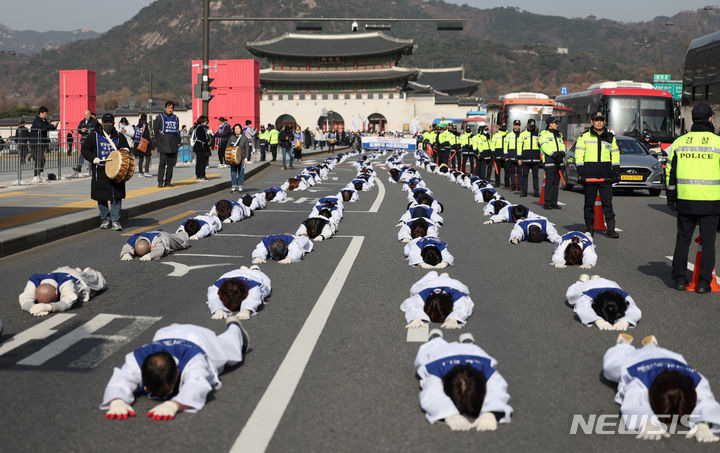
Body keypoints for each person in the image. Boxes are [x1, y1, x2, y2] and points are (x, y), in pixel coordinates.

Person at [100, 321, 249, 421]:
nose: (160, 396)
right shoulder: (137, 360)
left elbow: (197, 384)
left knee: (230, 353)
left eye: (165, 390)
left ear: (177, 373)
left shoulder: (194, 360)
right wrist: (117, 400)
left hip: (199, 339)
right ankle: (177, 327)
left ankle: (235, 328)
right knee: (167, 334)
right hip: (167, 333)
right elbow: (122, 378)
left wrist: (175, 404)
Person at [602, 334, 720, 442]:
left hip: (669, 357)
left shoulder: (697, 380)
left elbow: (706, 400)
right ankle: (623, 345)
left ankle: (651, 345)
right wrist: (646, 421)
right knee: (611, 366)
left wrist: (703, 423)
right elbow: (634, 400)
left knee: (656, 351)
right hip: (635, 359)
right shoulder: (641, 380)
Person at [666, 103, 720, 293]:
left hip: (686, 200)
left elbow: (670, 172)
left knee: (683, 240)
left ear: (693, 119)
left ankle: (680, 279)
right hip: (711, 201)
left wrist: (671, 195)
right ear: (710, 119)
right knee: (708, 243)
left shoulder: (680, 142)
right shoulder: (717, 143)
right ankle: (704, 283)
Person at [414, 331, 513, 431]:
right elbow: (431, 393)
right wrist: (449, 415)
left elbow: (498, 388)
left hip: (472, 353)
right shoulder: (437, 370)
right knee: (433, 347)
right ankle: (436, 338)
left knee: (472, 349)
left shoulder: (485, 368)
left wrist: (491, 413)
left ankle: (467, 343)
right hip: (443, 353)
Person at [575, 112, 621, 238]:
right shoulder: (584, 137)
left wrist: (616, 170)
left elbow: (615, 154)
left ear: (604, 122)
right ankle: (590, 229)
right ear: (592, 122)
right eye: (596, 120)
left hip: (606, 175)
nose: (599, 122)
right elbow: (579, 155)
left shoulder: (611, 137)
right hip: (589, 175)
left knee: (607, 203)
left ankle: (610, 229)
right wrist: (581, 170)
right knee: (589, 203)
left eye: (601, 120)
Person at [81, 113, 130, 231]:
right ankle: (105, 219)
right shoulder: (94, 136)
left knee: (116, 196)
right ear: (102, 123)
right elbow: (85, 149)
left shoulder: (119, 136)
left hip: (116, 170)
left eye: (110, 123)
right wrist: (93, 159)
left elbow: (127, 148)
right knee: (101, 196)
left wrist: (125, 151)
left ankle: (115, 220)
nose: (108, 125)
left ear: (113, 124)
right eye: (106, 123)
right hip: (100, 170)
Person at [18, 266, 106, 316]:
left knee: (99, 282)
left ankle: (86, 271)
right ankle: (77, 269)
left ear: (57, 293)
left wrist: (49, 307)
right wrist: (31, 308)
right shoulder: (34, 280)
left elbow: (67, 302)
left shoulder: (67, 284)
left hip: (76, 278)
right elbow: (25, 297)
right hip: (58, 271)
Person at [565, 274, 641, 330]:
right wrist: (598, 320)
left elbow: (634, 310)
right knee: (572, 295)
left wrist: (625, 321)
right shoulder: (588, 295)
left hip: (608, 283)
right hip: (588, 285)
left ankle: (596, 279)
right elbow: (582, 308)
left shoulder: (624, 297)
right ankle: (582, 281)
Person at [401, 271, 473, 329]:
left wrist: (453, 319)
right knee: (430, 276)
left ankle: (443, 276)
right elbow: (413, 303)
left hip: (450, 283)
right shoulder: (425, 293)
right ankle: (442, 276)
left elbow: (462, 306)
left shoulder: (455, 293)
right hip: (430, 284)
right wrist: (416, 318)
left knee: (434, 275)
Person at [207, 266, 272, 320]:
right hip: (231, 274)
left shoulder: (253, 286)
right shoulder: (218, 285)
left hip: (254, 276)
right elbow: (213, 296)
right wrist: (218, 310)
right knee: (243, 271)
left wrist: (246, 310)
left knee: (259, 275)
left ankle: (255, 269)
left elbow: (254, 297)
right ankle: (245, 269)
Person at [539, 116, 566, 210]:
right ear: (550, 124)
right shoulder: (544, 134)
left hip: (558, 161)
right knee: (549, 183)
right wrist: (554, 154)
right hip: (550, 161)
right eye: (555, 123)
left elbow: (562, 145)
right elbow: (544, 146)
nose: (557, 124)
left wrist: (562, 153)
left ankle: (554, 202)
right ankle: (547, 202)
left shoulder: (559, 134)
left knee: (556, 184)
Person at [153, 101, 181, 188]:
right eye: (168, 108)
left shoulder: (176, 118)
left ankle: (168, 181)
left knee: (170, 164)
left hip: (173, 143)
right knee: (162, 163)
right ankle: (160, 181)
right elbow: (156, 130)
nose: (170, 109)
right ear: (165, 108)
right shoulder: (160, 117)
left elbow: (177, 131)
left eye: (171, 108)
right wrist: (158, 142)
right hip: (163, 143)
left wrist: (178, 141)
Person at [29, 106, 57, 182]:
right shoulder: (37, 120)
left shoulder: (44, 120)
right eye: (45, 113)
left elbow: (47, 127)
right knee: (39, 159)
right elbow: (43, 128)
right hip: (36, 142)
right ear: (40, 113)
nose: (46, 115)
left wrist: (54, 126)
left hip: (42, 142)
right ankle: (35, 176)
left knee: (42, 159)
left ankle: (40, 174)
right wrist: (51, 125)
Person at [121, 230, 189, 261]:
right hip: (152, 232)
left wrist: (150, 255)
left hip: (163, 237)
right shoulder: (133, 239)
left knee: (182, 242)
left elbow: (159, 250)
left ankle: (183, 231)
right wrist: (126, 254)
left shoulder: (156, 241)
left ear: (150, 247)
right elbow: (127, 246)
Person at [518, 118, 541, 197]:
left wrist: (539, 142)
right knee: (525, 175)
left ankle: (536, 192)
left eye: (533, 125)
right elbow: (519, 146)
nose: (531, 127)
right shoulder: (523, 134)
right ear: (527, 125)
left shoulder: (538, 133)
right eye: (530, 125)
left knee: (535, 176)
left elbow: (543, 146)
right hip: (525, 158)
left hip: (536, 158)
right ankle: (524, 191)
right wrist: (519, 158)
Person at [226, 123, 248, 192]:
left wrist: (246, 157)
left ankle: (240, 186)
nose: (237, 130)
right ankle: (234, 186)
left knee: (241, 171)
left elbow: (247, 148)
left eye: (238, 129)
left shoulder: (244, 138)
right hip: (233, 158)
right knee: (233, 172)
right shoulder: (231, 138)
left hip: (242, 158)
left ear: (241, 129)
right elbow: (227, 147)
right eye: (235, 129)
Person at [503, 120, 522, 190]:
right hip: (511, 154)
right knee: (512, 171)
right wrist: (506, 156)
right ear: (513, 125)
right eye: (516, 125)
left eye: (518, 125)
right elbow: (505, 146)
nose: (517, 126)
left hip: (520, 155)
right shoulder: (509, 135)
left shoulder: (522, 134)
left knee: (520, 171)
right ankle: (513, 185)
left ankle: (519, 185)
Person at [192, 116, 212, 181]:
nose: (207, 122)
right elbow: (202, 138)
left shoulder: (200, 127)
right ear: (202, 121)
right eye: (206, 121)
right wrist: (207, 141)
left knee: (200, 162)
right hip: (200, 146)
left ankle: (200, 175)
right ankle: (201, 176)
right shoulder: (200, 128)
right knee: (201, 162)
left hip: (200, 146)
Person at [489, 122, 507, 186]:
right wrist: (492, 153)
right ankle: (497, 182)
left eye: (504, 126)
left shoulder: (508, 134)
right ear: (499, 127)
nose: (503, 128)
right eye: (502, 126)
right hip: (497, 154)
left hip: (506, 154)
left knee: (507, 170)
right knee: (497, 170)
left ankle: (507, 183)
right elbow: (492, 144)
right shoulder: (496, 135)